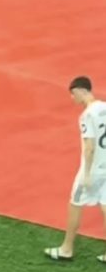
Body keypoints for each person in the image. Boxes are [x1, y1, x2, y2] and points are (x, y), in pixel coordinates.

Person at [45, 76, 106, 262]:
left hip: (93, 169)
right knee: (105, 206)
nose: (72, 99)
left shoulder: (86, 115)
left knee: (75, 204)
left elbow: (89, 147)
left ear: (81, 90)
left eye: (73, 94)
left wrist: (86, 175)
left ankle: (66, 249)